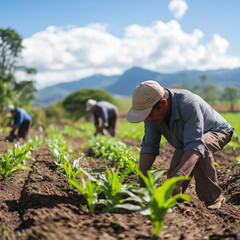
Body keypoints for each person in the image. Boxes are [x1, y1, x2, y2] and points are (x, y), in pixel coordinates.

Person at [127, 80, 233, 210]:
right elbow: (149, 147)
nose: (147, 119)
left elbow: (195, 145)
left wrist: (180, 175)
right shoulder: (151, 115)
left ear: (162, 103)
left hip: (217, 130)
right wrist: (141, 182)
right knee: (173, 178)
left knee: (201, 148)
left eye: (148, 114)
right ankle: (175, 200)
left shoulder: (188, 103)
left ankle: (213, 197)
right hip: (187, 139)